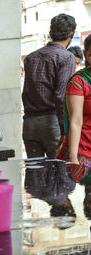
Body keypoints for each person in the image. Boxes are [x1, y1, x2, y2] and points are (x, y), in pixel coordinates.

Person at [22, 13, 76, 159]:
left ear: (51, 33)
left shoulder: (31, 57)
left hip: (29, 123)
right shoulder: (66, 57)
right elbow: (60, 96)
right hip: (52, 123)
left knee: (35, 175)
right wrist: (65, 130)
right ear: (72, 33)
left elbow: (25, 92)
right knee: (61, 175)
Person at [57, 34, 91, 167]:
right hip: (84, 151)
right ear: (85, 53)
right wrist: (73, 157)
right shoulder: (79, 81)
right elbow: (75, 121)